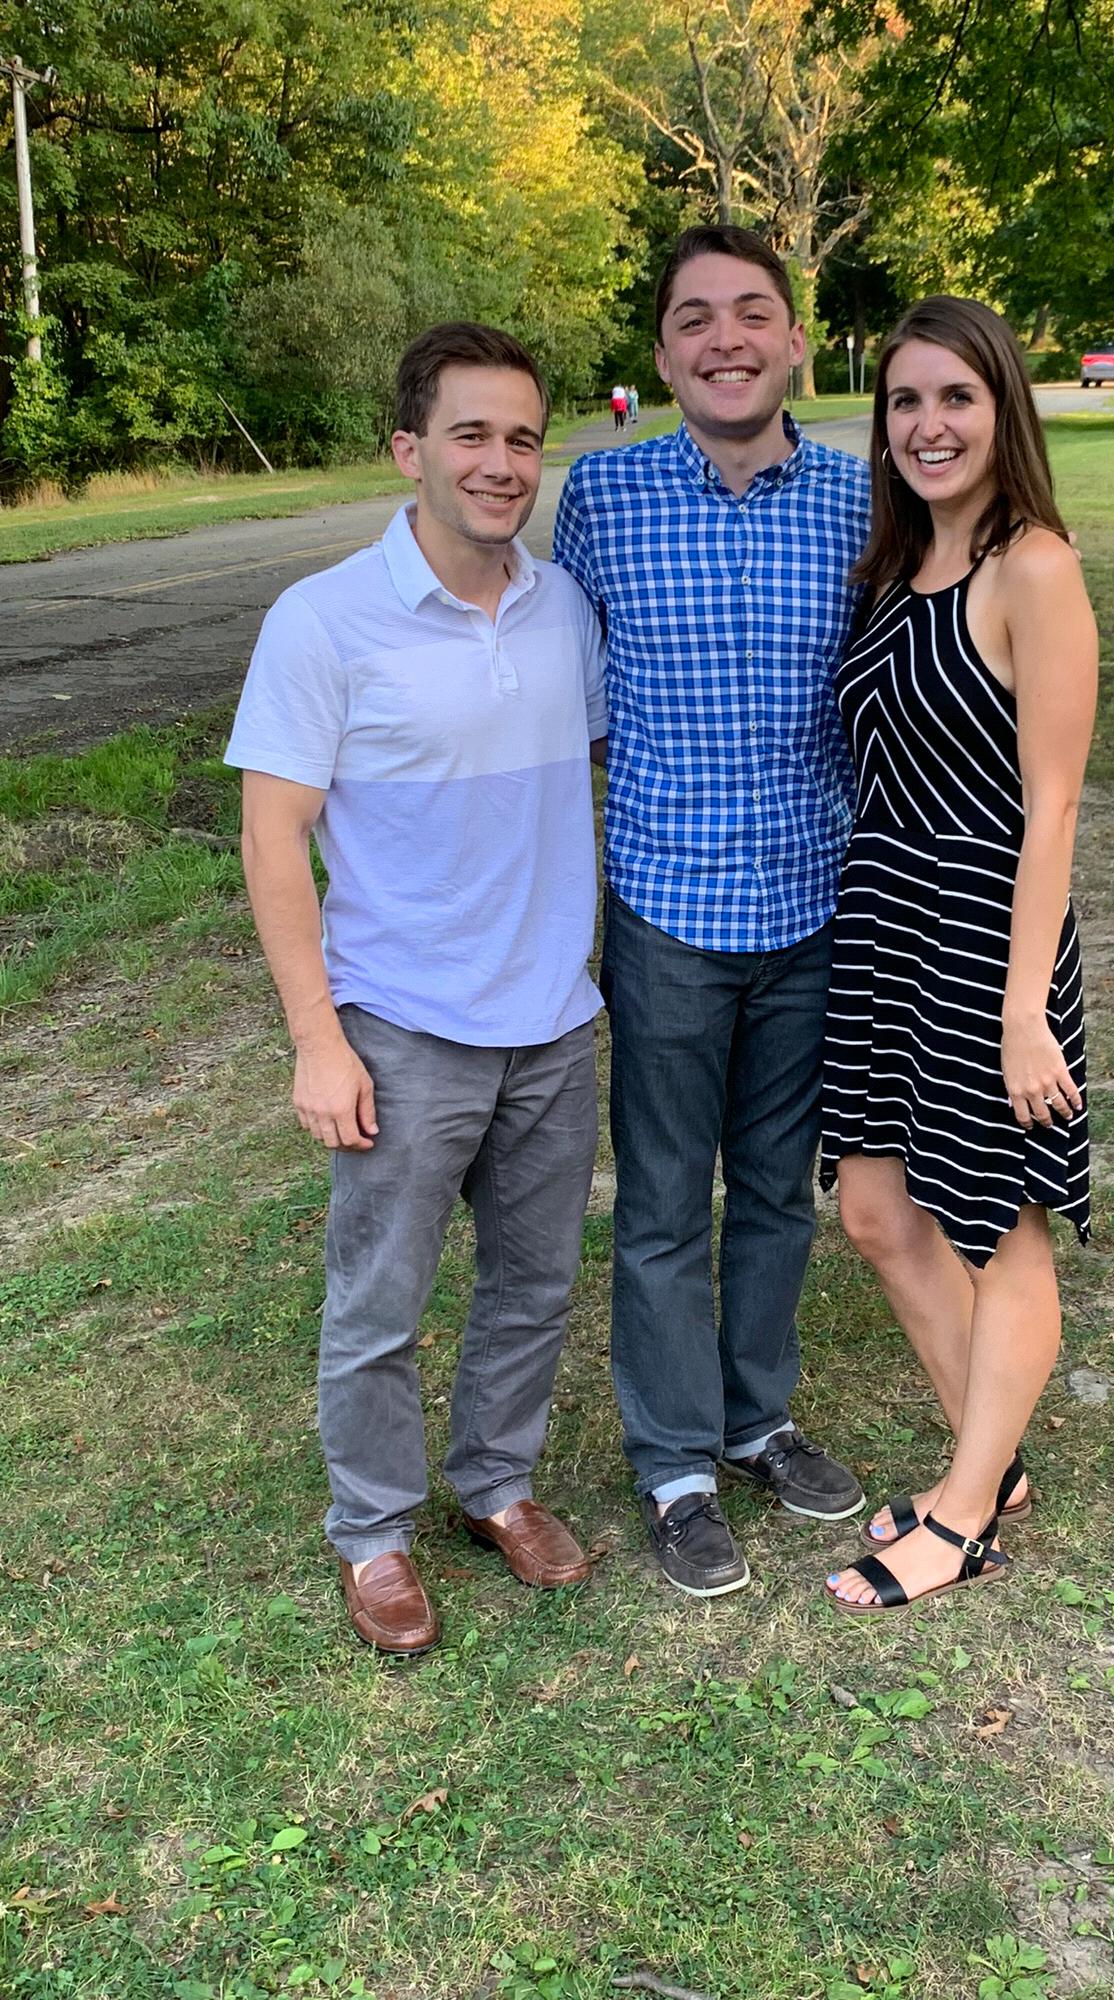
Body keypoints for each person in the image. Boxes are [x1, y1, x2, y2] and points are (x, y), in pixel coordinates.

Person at [227, 323, 608, 1659]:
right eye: (471, 434)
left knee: (533, 1281)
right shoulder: (323, 620)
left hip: (554, 1020)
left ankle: (496, 1483)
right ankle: (374, 1533)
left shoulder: (565, 609)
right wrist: (315, 1039)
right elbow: (272, 836)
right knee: (379, 1302)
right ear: (409, 450)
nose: (501, 463)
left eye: (523, 438)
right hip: (401, 1027)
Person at [553, 226, 868, 1598]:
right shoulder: (603, 495)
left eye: (752, 313)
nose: (725, 338)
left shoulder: (861, 499)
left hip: (813, 899)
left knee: (779, 1192)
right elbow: (566, 686)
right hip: (668, 904)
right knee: (668, 1198)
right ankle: (676, 1463)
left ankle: (757, 1418)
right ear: (665, 354)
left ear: (795, 339)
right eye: (695, 318)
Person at [821, 296, 1097, 1614]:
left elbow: (1055, 803)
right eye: (906, 401)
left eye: (956, 398)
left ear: (1003, 411)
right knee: (876, 1210)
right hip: (886, 924)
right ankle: (992, 1461)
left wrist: (1026, 1006)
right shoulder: (893, 566)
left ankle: (966, 1511)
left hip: (987, 934)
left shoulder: (1031, 566)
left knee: (997, 1226)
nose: (929, 425)